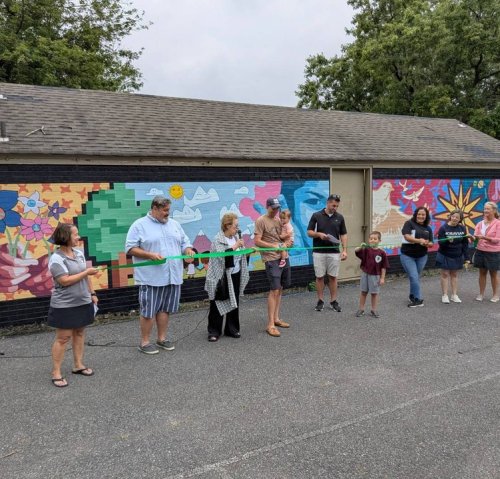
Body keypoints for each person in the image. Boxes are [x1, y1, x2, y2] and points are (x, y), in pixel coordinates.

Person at [125, 195, 194, 354]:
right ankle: (144, 342)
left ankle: (161, 339)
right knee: (148, 311)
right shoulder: (139, 225)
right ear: (154, 208)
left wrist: (188, 250)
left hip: (172, 276)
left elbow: (185, 242)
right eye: (165, 210)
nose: (167, 213)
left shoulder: (175, 224)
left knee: (165, 309)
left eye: (168, 210)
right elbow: (130, 248)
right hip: (150, 278)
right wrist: (150, 255)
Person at [47, 223, 99, 388]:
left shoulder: (79, 253)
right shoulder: (56, 259)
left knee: (80, 333)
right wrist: (86, 272)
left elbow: (86, 277)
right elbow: (64, 281)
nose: (78, 237)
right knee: (63, 338)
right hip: (65, 305)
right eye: (75, 234)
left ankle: (78, 365)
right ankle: (56, 372)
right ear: (65, 237)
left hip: (83, 301)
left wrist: (92, 293)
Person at [204, 213, 250, 341]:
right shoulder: (218, 239)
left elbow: (240, 256)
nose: (237, 228)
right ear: (227, 225)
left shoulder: (236, 238)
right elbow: (221, 257)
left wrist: (246, 252)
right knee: (218, 302)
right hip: (221, 277)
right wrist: (235, 247)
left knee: (234, 303)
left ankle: (232, 329)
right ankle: (214, 331)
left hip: (235, 274)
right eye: (235, 226)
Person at [254, 197, 293, 337]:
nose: (276, 210)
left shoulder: (279, 220)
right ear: (267, 206)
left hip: (283, 257)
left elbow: (283, 238)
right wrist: (273, 246)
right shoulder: (261, 220)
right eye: (273, 208)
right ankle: (270, 324)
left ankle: (276, 319)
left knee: (280, 289)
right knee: (274, 290)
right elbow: (257, 241)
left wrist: (288, 243)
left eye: (277, 208)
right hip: (271, 259)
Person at [307, 194, 348, 312]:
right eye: (333, 205)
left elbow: (343, 234)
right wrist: (318, 234)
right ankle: (320, 301)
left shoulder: (340, 217)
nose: (335, 208)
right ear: (328, 203)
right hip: (318, 251)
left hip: (334, 252)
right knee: (319, 277)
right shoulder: (316, 215)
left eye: (337, 206)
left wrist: (344, 250)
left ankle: (333, 301)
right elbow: (309, 232)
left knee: (333, 277)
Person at [400, 206, 434, 307]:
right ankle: (418, 300)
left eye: (423, 214)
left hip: (422, 256)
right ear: (415, 214)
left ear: (426, 216)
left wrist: (428, 244)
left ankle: (412, 295)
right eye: (419, 214)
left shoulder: (428, 228)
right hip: (407, 255)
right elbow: (407, 236)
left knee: (415, 277)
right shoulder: (409, 223)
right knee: (414, 276)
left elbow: (432, 243)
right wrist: (420, 241)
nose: (421, 216)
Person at [435, 209, 469, 303]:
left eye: (457, 217)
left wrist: (467, 258)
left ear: (460, 219)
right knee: (445, 274)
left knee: (454, 274)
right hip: (445, 254)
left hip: (457, 255)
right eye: (453, 216)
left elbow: (465, 244)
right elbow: (440, 243)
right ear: (450, 216)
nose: (454, 218)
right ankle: (445, 295)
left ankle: (454, 295)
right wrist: (446, 240)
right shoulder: (443, 228)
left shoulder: (462, 228)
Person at [354, 231, 389, 318]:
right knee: (363, 292)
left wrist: (382, 278)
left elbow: (383, 267)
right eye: (371, 239)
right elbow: (356, 251)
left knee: (374, 293)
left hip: (376, 276)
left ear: (379, 240)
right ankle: (361, 309)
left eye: (375, 239)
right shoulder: (366, 250)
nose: (372, 240)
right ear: (368, 240)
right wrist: (360, 247)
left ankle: (374, 309)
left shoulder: (382, 253)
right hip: (365, 274)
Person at [473, 201, 500, 302]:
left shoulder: (498, 223)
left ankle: (496, 295)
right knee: (482, 273)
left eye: (488, 209)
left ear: (494, 210)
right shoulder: (479, 223)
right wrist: (472, 238)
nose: (485, 210)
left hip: (493, 252)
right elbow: (475, 237)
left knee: (494, 274)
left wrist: (484, 237)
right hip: (480, 251)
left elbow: (497, 239)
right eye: (485, 209)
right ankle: (481, 294)